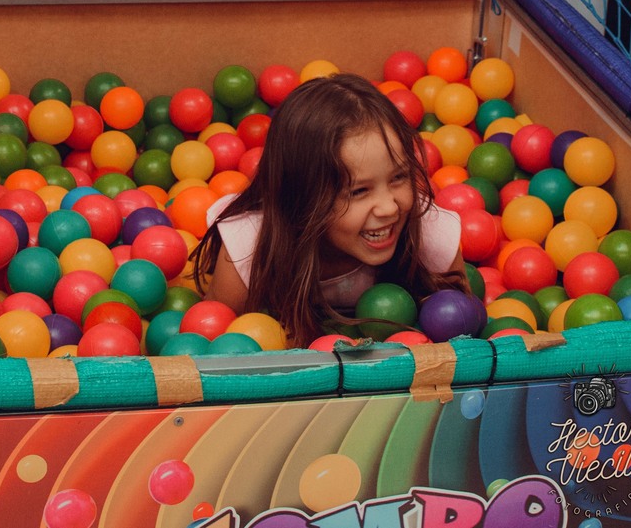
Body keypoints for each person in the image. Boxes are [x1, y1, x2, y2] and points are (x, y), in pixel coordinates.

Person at [191, 72, 466, 347]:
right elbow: (213, 344)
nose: (388, 207)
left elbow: (465, 323)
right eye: (359, 191)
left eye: (399, 177)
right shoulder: (250, 248)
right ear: (302, 199)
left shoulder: (427, 232)